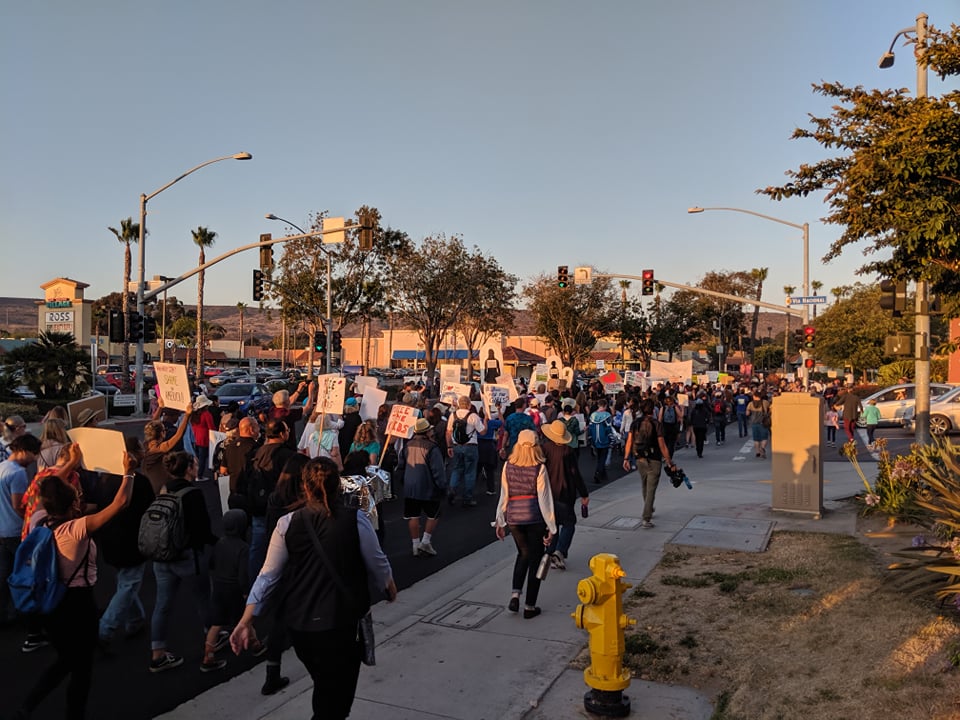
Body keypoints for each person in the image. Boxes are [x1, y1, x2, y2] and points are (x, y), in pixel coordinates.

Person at [229, 457, 397, 720]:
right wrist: (387, 585)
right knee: (337, 699)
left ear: (305, 488)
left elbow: (268, 575)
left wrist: (247, 618)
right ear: (339, 486)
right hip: (342, 623)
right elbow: (377, 562)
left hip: (302, 624)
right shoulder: (356, 520)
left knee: (325, 686)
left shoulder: (287, 523)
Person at [12, 457, 133, 720]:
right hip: (78, 604)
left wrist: (69, 463)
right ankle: (71, 714)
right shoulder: (76, 530)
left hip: (51, 602)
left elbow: (46, 485)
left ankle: (29, 705)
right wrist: (129, 473)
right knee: (80, 668)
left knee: (66, 659)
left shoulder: (39, 520)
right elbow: (120, 503)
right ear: (74, 504)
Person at [149, 451, 219, 673]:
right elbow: (202, 529)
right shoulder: (193, 493)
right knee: (203, 598)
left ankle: (158, 652)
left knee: (162, 605)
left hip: (162, 554)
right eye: (195, 464)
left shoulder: (164, 489)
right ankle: (212, 637)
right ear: (189, 468)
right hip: (188, 555)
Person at [94, 437, 156, 652]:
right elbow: (150, 510)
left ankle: (136, 620)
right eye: (140, 448)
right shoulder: (138, 482)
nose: (144, 451)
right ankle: (105, 628)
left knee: (126, 582)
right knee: (129, 584)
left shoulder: (104, 478)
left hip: (109, 540)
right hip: (132, 541)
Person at [494, 429, 556, 619]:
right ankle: (530, 605)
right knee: (535, 561)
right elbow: (545, 500)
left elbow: (504, 495)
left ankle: (515, 594)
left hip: (514, 517)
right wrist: (552, 527)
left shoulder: (508, 466)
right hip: (534, 517)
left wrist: (500, 521)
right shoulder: (539, 468)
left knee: (523, 554)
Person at [242, 419, 295, 580]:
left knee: (257, 547)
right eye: (287, 430)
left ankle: (255, 581)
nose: (289, 433)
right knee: (281, 547)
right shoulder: (287, 456)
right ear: (281, 433)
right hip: (279, 508)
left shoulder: (256, 452)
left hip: (257, 505)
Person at [0, 434, 41, 629]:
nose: (35, 459)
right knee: (25, 574)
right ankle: (28, 615)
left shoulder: (1, 467)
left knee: (3, 575)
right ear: (23, 450)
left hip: (2, 530)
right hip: (16, 530)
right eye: (34, 454)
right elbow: (19, 505)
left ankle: (5, 614)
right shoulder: (17, 473)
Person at [202, 508, 250, 672]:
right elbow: (243, 574)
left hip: (219, 587)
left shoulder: (220, 543)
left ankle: (208, 655)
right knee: (244, 618)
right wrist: (245, 591)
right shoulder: (243, 547)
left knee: (217, 623)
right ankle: (256, 644)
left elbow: (212, 563)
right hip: (234, 589)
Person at [541, 420, 588, 570]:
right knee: (569, 523)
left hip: (548, 491)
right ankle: (560, 551)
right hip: (566, 491)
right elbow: (576, 474)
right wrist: (584, 494)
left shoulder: (545, 449)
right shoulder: (568, 451)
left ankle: (550, 552)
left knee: (551, 523)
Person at [398, 418, 447, 557]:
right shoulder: (432, 447)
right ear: (427, 431)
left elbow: (400, 466)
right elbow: (438, 470)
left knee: (413, 516)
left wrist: (403, 481)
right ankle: (425, 541)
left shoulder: (407, 445)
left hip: (410, 487)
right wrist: (442, 486)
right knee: (434, 515)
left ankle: (415, 544)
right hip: (428, 487)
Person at [623, 399, 676, 528]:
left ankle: (649, 507)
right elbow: (662, 445)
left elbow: (629, 441)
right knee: (651, 487)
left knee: (645, 484)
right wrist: (669, 461)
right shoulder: (656, 424)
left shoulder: (635, 423)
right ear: (653, 410)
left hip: (639, 457)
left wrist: (626, 458)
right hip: (654, 458)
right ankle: (646, 516)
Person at [142, 400, 193, 494]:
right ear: (162, 434)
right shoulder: (159, 449)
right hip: (159, 484)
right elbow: (178, 435)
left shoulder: (146, 444)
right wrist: (187, 415)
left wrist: (160, 407)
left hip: (148, 480)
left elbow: (152, 423)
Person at [446, 396, 485, 507]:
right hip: (471, 446)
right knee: (470, 472)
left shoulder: (452, 416)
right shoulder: (473, 416)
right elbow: (482, 432)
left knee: (456, 469)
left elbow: (448, 432)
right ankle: (467, 498)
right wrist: (486, 422)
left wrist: (449, 446)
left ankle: (452, 490)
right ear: (469, 404)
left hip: (456, 446)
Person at [186, 395, 217, 480]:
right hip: (204, 438)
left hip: (194, 437)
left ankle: (194, 473)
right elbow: (211, 427)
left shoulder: (194, 414)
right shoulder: (206, 414)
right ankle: (199, 475)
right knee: (202, 458)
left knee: (196, 457)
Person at [588, 398, 613, 483]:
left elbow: (590, 428)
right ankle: (598, 473)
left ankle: (603, 474)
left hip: (595, 439)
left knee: (599, 457)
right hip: (604, 439)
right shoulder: (607, 415)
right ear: (605, 406)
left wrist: (590, 438)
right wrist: (611, 439)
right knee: (603, 457)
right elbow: (608, 428)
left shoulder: (593, 415)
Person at [745, 391, 771, 459]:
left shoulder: (750, 404)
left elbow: (747, 413)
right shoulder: (765, 402)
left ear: (754, 396)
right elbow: (770, 408)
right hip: (763, 423)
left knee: (756, 439)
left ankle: (758, 452)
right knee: (764, 438)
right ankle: (762, 448)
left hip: (754, 423)